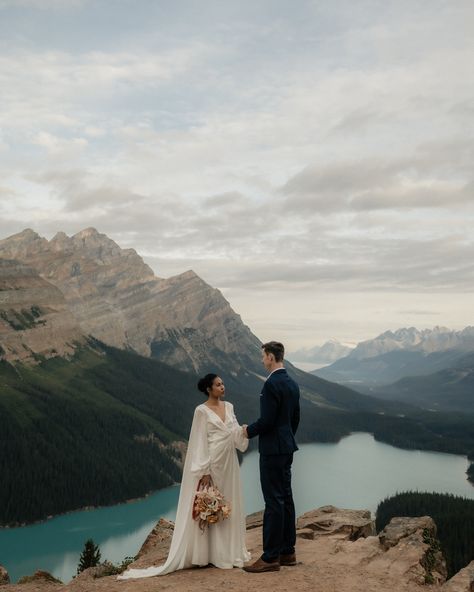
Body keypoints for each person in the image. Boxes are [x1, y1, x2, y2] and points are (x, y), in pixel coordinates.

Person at [118, 374, 250, 579]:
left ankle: (228, 553)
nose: (223, 387)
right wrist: (204, 470)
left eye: (223, 383)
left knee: (228, 505)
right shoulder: (201, 411)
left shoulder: (230, 407)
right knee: (211, 506)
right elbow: (199, 442)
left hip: (229, 463)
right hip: (213, 464)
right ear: (208, 388)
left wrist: (243, 432)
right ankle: (210, 554)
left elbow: (233, 433)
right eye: (218, 384)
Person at [242, 341, 300, 573]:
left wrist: (247, 431)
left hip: (272, 451)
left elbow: (266, 421)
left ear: (270, 357)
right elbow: (294, 418)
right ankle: (288, 551)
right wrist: (285, 438)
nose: (262, 360)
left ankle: (270, 557)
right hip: (286, 448)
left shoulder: (270, 385)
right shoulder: (292, 383)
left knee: (273, 501)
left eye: (263, 356)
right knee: (286, 497)